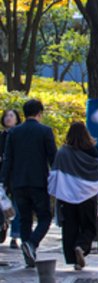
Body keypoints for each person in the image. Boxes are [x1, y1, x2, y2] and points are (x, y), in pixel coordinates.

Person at [0, 98, 56, 267]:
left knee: (25, 219)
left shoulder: (14, 133)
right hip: (39, 182)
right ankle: (31, 244)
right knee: (45, 217)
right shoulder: (45, 131)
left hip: (18, 182)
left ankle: (28, 255)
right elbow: (53, 157)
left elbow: (8, 160)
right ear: (39, 113)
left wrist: (3, 182)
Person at [48, 122, 98, 271]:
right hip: (88, 195)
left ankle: (73, 258)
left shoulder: (63, 152)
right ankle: (82, 246)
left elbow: (55, 173)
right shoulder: (93, 151)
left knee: (70, 227)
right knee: (89, 226)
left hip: (67, 196)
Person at [0, 108, 22, 249]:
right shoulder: (1, 136)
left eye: (11, 115)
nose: (8, 118)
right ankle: (2, 227)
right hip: (1, 174)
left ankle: (15, 236)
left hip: (16, 175)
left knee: (16, 205)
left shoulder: (19, 136)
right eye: (6, 116)